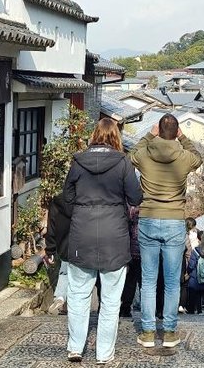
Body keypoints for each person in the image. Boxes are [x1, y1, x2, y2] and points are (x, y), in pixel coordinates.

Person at [62, 119, 143, 363]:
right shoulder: (122, 163)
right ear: (116, 137)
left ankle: (75, 347)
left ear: (94, 134)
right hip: (114, 236)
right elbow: (136, 196)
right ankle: (104, 353)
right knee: (110, 300)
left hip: (82, 233)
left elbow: (67, 196)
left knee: (77, 294)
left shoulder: (78, 161)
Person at [129, 114, 203, 349]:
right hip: (174, 220)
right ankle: (169, 332)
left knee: (149, 281)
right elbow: (198, 158)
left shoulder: (145, 153)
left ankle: (148, 332)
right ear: (177, 131)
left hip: (149, 217)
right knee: (172, 282)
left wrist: (150, 135)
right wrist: (182, 138)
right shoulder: (183, 156)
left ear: (159, 130)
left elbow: (132, 154)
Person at [44, 192, 73, 315]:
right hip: (83, 245)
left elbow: (51, 227)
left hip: (64, 245)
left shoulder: (57, 201)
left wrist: (50, 249)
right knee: (79, 278)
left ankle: (60, 297)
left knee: (64, 272)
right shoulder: (85, 200)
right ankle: (69, 304)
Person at [185, 230, 204, 313]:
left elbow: (191, 264)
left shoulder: (195, 251)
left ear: (198, 239)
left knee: (194, 292)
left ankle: (195, 309)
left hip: (196, 276)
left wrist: (188, 272)